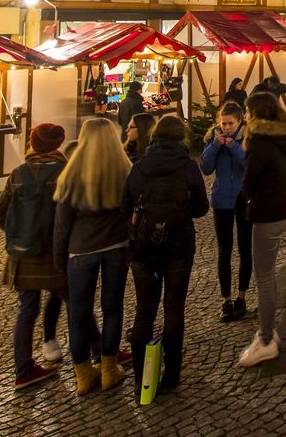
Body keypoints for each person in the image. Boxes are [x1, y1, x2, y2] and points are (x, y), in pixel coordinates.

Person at [123, 114, 208, 399]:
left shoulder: (139, 167)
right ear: (181, 137)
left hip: (143, 248)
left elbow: (126, 205)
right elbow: (201, 208)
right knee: (174, 309)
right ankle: (171, 374)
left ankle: (140, 377)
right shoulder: (188, 167)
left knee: (144, 310)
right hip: (178, 246)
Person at [52, 118, 132, 396]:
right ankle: (109, 369)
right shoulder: (124, 170)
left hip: (81, 251)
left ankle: (84, 375)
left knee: (79, 314)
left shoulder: (71, 174)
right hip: (116, 248)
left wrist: (59, 258)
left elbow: (62, 224)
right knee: (112, 309)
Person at [0, 122, 68, 390]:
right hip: (53, 255)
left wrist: (20, 234)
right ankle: (99, 355)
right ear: (58, 144)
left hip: (22, 257)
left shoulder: (18, 173)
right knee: (76, 304)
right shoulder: (63, 173)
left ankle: (23, 369)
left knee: (27, 310)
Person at [237, 92, 286, 367]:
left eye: (247, 111)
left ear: (256, 113)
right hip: (282, 208)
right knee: (268, 273)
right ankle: (266, 330)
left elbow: (249, 180)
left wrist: (244, 200)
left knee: (263, 276)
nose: (245, 115)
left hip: (267, 212)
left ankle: (265, 340)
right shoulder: (280, 137)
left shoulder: (261, 142)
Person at [199, 101, 251, 323]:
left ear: (239, 122)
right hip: (221, 199)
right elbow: (206, 167)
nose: (227, 127)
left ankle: (242, 296)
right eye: (223, 123)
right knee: (224, 250)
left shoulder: (246, 139)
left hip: (242, 198)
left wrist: (232, 146)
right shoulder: (213, 139)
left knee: (245, 248)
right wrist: (214, 146)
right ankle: (226, 298)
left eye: (230, 123)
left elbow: (247, 164)